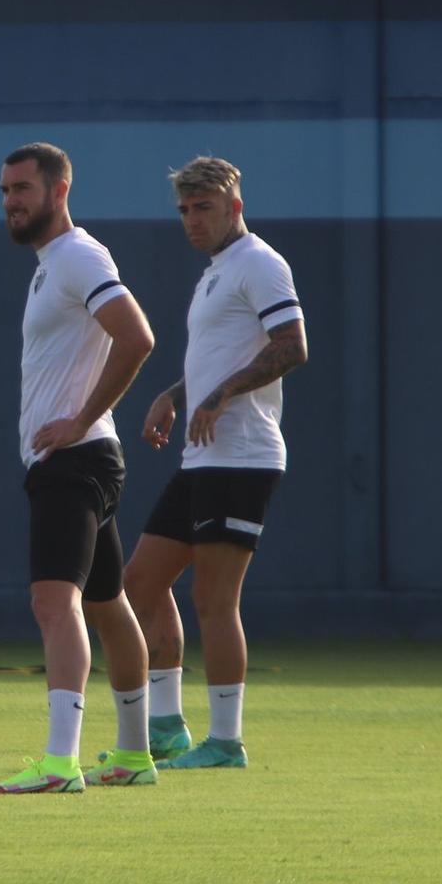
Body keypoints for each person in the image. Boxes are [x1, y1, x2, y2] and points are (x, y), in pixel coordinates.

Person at [0, 143, 160, 794]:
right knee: (108, 604)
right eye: (5, 190)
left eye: (22, 188)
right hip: (80, 458)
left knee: (52, 600)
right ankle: (135, 753)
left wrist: (80, 417)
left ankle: (61, 761)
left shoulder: (79, 255)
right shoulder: (50, 266)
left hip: (76, 459)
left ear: (60, 191)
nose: (11, 200)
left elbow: (137, 336)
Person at [127, 157, 307, 770]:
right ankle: (169, 727)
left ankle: (226, 742)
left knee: (214, 601)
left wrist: (221, 395)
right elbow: (220, 356)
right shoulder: (216, 273)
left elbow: (292, 346)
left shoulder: (259, 262)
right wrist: (173, 395)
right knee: (140, 585)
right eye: (184, 209)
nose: (191, 219)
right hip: (203, 457)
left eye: (203, 207)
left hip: (244, 457)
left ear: (235, 206)